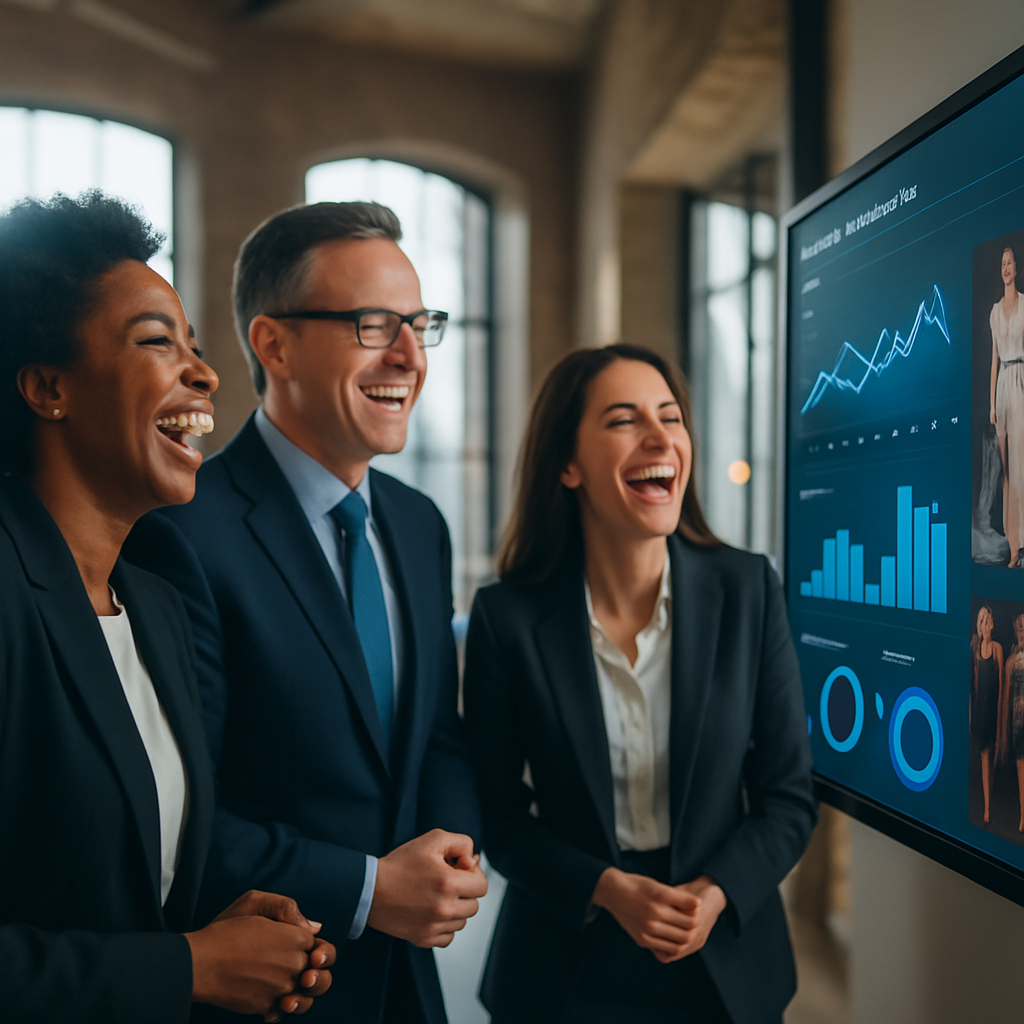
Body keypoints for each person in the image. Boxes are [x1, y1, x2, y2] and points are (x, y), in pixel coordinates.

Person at [125, 201, 486, 1023]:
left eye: (419, 323)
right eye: (371, 323)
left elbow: (435, 734)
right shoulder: (178, 532)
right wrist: (371, 890)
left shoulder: (420, 523)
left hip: (410, 991)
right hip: (277, 992)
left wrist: (450, 850)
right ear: (272, 343)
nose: (407, 354)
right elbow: (177, 816)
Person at [0, 192, 336, 1023]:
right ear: (48, 386)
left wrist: (218, 934)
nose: (206, 372)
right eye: (158, 341)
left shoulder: (154, 607)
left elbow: (110, 892)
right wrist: (186, 967)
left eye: (193, 343)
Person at [463, 344, 817, 1024]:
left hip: (724, 963)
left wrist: (715, 894)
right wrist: (607, 889)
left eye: (671, 417)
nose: (661, 438)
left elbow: (788, 799)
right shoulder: (505, 619)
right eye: (624, 420)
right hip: (565, 967)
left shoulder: (749, 591)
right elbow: (498, 815)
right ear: (567, 464)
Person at [988, 246, 1024, 566]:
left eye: (1010, 262)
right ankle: (1013, 545)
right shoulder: (995, 312)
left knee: (1021, 465)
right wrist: (991, 404)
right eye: (1002, 264)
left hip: (1021, 384)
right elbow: (994, 360)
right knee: (1006, 473)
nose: (1006, 268)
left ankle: (1023, 542)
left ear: (1017, 267)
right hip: (1002, 389)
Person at [970, 605, 1003, 826]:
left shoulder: (998, 649)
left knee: (991, 757)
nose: (984, 623)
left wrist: (1000, 720)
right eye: (981, 620)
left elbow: (1001, 687)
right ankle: (987, 807)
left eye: (987, 619)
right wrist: (971, 716)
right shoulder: (975, 649)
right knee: (984, 756)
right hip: (980, 713)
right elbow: (974, 685)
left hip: (993, 712)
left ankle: (989, 800)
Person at [1003, 612, 1024, 833]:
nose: (1023, 630)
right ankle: (1023, 814)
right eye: (1020, 626)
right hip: (1018, 722)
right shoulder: (1011, 659)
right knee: (1020, 766)